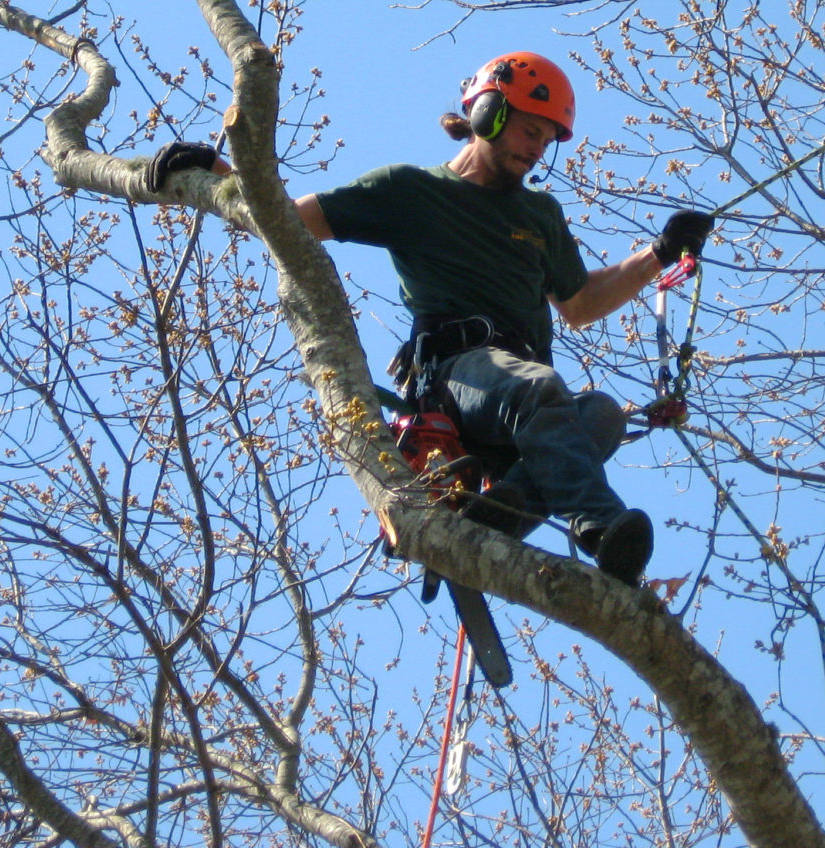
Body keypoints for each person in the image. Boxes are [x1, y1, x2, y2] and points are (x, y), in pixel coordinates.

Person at [146, 51, 712, 586]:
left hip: (524, 408)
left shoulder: (539, 214)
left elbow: (581, 303)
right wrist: (218, 171)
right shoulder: (410, 192)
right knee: (538, 389)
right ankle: (602, 527)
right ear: (489, 113)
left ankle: (494, 516)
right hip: (456, 377)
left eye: (546, 139)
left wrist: (660, 251)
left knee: (604, 416)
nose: (537, 149)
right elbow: (287, 222)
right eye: (529, 130)